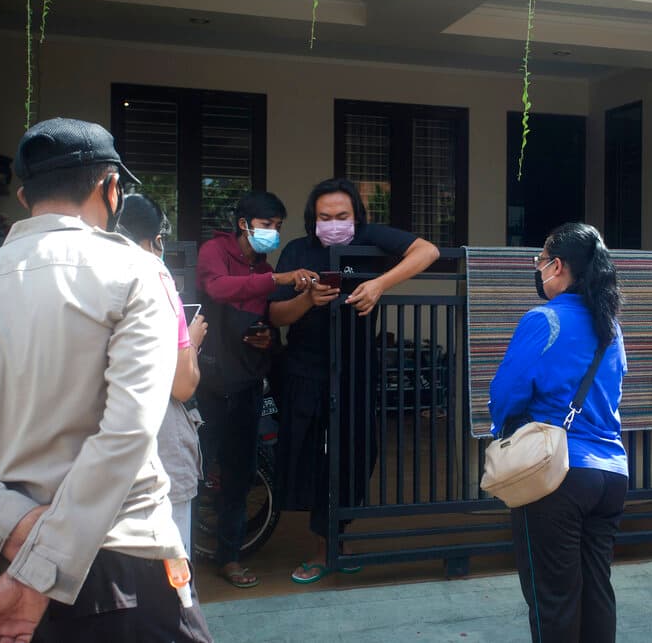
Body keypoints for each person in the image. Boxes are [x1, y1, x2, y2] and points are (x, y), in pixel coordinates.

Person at [0, 118, 211, 642]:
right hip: (120, 570)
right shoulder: (136, 275)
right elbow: (126, 435)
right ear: (110, 187)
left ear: (23, 193)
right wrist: (43, 567)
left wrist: (12, 528)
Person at [269, 177, 439, 584]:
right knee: (310, 454)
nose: (333, 223)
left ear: (356, 216)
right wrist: (306, 300)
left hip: (358, 367)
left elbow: (428, 250)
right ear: (313, 219)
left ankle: (337, 534)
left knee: (358, 450)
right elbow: (276, 316)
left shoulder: (371, 239)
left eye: (341, 216)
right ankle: (322, 545)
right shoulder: (298, 250)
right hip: (306, 367)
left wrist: (380, 284)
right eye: (324, 217)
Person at [488, 222, 628, 643]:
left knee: (555, 599)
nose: (538, 269)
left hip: (556, 476)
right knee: (596, 590)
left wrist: (506, 432)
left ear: (558, 266)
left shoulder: (543, 319)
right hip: (611, 476)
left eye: (540, 261)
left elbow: (507, 392)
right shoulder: (611, 326)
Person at [195, 191, 314, 588]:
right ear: (244, 223)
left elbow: (264, 318)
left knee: (239, 475)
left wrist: (267, 338)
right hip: (207, 384)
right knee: (192, 472)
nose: (273, 233)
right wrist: (278, 278)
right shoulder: (215, 251)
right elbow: (218, 289)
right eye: (267, 225)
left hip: (245, 382)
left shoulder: (261, 266)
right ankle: (178, 561)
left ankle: (229, 558)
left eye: (278, 227)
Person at [118, 193, 208, 553]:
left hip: (88, 456)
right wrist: (192, 342)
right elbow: (183, 386)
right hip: (153, 444)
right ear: (155, 239)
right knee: (169, 567)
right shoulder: (154, 276)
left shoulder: (72, 274)